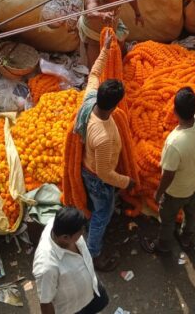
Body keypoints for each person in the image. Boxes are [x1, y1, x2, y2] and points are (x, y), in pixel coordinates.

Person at [76, 35, 130, 271]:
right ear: (116, 105)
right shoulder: (104, 135)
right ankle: (94, 253)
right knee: (102, 214)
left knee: (95, 207)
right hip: (97, 179)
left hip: (87, 167)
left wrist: (105, 49)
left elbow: (94, 74)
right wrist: (127, 181)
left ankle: (90, 230)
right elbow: (104, 172)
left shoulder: (89, 98)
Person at [139, 86, 195, 259]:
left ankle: (163, 245)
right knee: (191, 212)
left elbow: (168, 174)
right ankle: (186, 238)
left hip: (177, 191)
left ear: (174, 111)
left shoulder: (174, 143)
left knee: (167, 219)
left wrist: (159, 192)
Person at [34, 205, 108, 314]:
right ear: (65, 238)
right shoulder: (47, 267)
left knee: (102, 302)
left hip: (93, 288)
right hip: (74, 308)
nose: (83, 234)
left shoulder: (57, 224)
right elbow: (45, 302)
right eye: (80, 233)